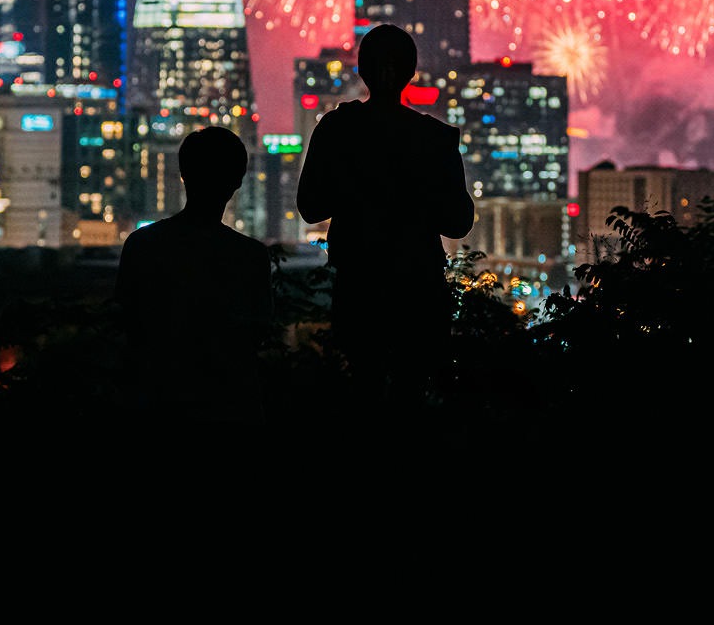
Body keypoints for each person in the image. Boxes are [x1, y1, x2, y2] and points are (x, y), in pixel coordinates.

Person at [296, 23, 475, 395]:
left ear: (361, 70)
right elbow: (458, 223)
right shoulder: (436, 138)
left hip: (359, 289)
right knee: (414, 396)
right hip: (419, 290)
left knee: (364, 392)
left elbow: (310, 207)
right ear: (412, 73)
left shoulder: (337, 129)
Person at [115, 126, 272, 424]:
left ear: (183, 174)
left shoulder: (142, 246)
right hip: (229, 408)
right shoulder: (250, 256)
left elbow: (128, 324)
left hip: (156, 405)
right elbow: (256, 333)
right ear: (237, 181)